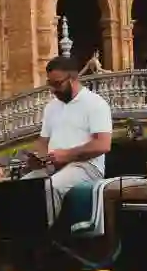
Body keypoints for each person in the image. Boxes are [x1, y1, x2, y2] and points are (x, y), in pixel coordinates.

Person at [29, 54, 113, 224]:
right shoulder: (51, 107)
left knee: (50, 187)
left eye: (57, 84)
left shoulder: (95, 103)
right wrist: (40, 157)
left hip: (87, 167)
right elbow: (43, 142)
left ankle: (46, 238)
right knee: (22, 186)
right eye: (50, 85)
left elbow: (103, 144)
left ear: (73, 78)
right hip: (53, 166)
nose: (53, 90)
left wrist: (66, 155)